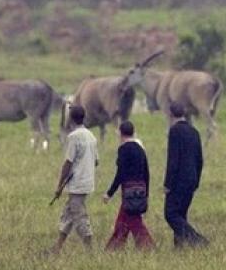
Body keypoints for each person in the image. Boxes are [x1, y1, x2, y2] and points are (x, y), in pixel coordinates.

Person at [49, 105, 99, 254]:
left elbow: (68, 163)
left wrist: (59, 186)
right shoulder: (91, 136)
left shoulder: (73, 137)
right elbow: (96, 161)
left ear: (70, 118)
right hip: (88, 181)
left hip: (77, 183)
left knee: (79, 215)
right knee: (68, 214)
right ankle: (57, 248)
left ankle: (90, 251)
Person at [103, 121, 155, 251]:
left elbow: (120, 173)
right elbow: (146, 172)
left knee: (134, 221)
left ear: (121, 133)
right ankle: (114, 248)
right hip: (140, 188)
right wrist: (146, 192)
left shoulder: (123, 149)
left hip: (128, 190)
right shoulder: (140, 148)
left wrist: (109, 193)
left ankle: (148, 247)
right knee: (123, 220)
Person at [163, 101, 208, 247]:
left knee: (170, 214)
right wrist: (197, 180)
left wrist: (167, 184)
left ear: (170, 114)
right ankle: (179, 247)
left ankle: (197, 240)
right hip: (192, 178)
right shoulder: (194, 131)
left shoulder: (174, 131)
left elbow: (173, 160)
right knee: (181, 213)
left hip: (178, 180)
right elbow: (199, 159)